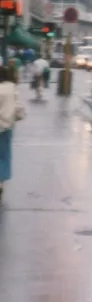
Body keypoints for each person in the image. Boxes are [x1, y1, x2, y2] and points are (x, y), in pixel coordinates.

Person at [0, 66, 24, 202]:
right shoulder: (11, 88)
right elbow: (18, 107)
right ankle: (0, 182)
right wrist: (19, 116)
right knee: (3, 156)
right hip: (5, 127)